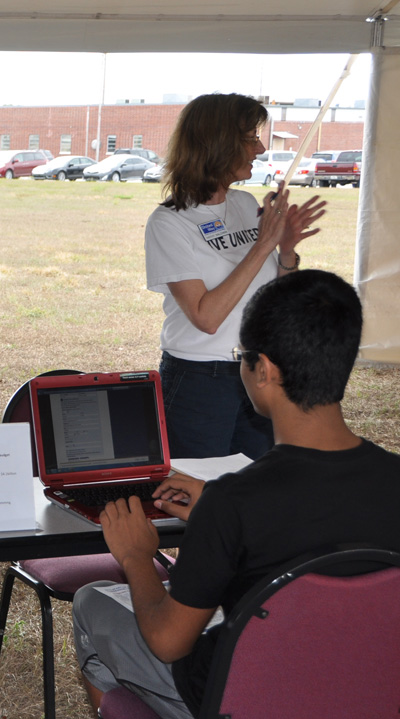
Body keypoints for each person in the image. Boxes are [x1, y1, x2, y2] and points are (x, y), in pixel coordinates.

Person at [72, 269, 400, 719]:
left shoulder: (234, 502)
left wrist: (135, 557)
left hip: (235, 698)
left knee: (92, 600)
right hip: (366, 687)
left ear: (262, 369)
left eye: (240, 357)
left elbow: (168, 643)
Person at [146, 92, 326, 460]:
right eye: (250, 137)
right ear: (217, 144)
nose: (260, 147)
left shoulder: (244, 205)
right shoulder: (170, 222)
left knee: (259, 487)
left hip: (259, 373)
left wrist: (287, 250)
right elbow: (206, 317)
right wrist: (263, 246)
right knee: (197, 493)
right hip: (200, 380)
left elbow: (275, 302)